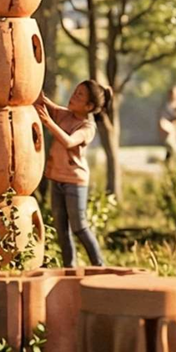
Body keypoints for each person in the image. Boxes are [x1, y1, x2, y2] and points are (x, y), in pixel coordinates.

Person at [37, 80, 112, 267]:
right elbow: (44, 101)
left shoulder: (87, 128)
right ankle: (69, 268)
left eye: (79, 95)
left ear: (89, 106)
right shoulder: (64, 114)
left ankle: (99, 266)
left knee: (79, 226)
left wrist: (47, 121)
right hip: (56, 178)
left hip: (74, 182)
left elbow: (69, 141)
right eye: (75, 91)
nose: (73, 95)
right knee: (61, 229)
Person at [157, 85, 176, 163]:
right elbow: (162, 120)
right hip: (168, 133)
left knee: (171, 153)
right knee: (174, 149)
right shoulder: (166, 106)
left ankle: (169, 168)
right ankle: (170, 167)